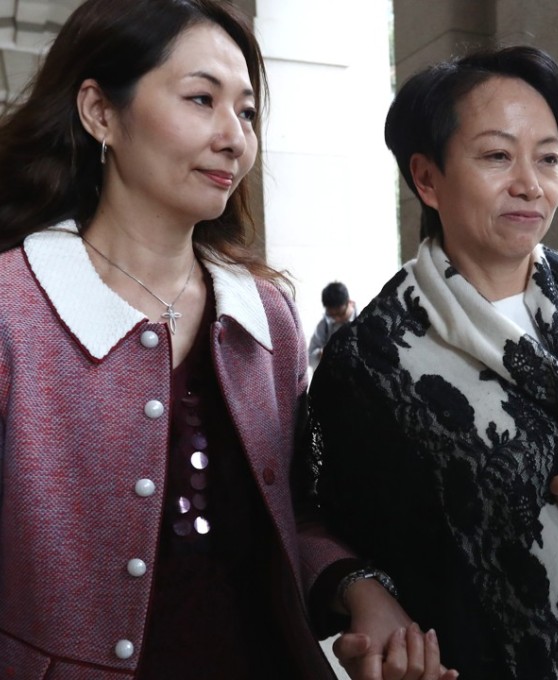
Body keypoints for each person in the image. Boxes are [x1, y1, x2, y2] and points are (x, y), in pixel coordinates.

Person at [0, 1, 451, 678]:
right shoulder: (14, 310)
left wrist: (362, 592)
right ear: (99, 112)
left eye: (246, 112)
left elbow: (294, 510)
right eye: (201, 99)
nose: (234, 137)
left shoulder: (264, 316)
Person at [303, 45, 558, 680]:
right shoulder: (372, 358)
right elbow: (322, 521)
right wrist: (365, 593)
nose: (531, 184)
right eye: (497, 156)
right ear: (427, 178)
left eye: (547, 159)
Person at [309, 281, 358, 369]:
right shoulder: (325, 325)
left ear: (349, 302)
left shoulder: (364, 319)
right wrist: (321, 354)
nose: (337, 318)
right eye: (332, 315)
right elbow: (310, 357)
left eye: (340, 313)